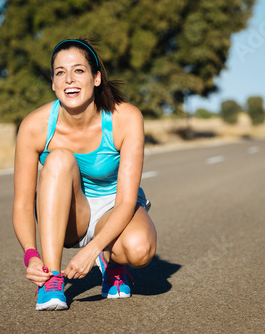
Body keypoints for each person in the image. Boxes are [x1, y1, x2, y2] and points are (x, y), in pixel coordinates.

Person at [12, 38, 157, 311]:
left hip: (115, 208)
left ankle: (111, 262)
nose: (69, 79)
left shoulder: (125, 118)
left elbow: (126, 202)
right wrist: (31, 256)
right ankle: (52, 280)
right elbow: (21, 203)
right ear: (53, 84)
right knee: (59, 158)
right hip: (69, 213)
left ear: (96, 78)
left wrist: (92, 251)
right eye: (60, 73)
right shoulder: (34, 126)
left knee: (140, 250)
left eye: (78, 70)